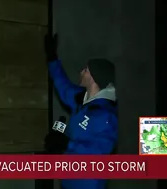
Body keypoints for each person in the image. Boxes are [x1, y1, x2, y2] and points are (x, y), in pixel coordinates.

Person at [44, 34, 118, 189]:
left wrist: (66, 144)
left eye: (86, 70)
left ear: (93, 77)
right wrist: (52, 59)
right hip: (68, 181)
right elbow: (62, 85)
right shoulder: (81, 100)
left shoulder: (106, 115)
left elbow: (98, 153)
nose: (81, 72)